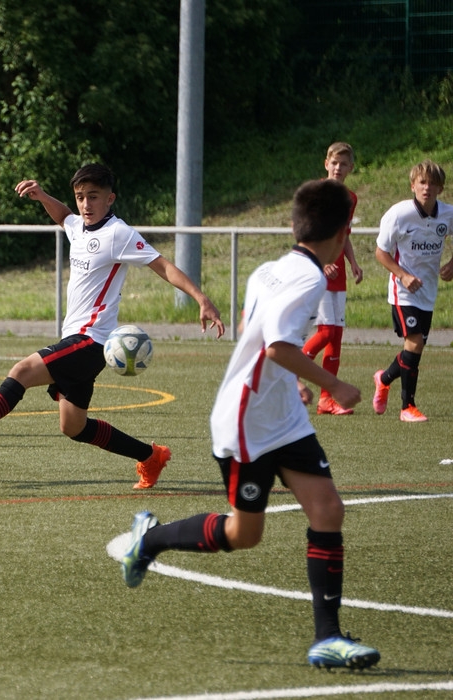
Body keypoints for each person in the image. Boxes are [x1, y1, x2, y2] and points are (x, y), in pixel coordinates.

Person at [110, 178, 380, 670]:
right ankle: (147, 540)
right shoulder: (311, 279)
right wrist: (332, 385)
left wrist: (289, 382)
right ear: (343, 234)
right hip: (246, 423)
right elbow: (276, 345)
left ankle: (327, 638)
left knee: (328, 510)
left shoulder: (270, 269)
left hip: (282, 415)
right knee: (243, 533)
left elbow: (255, 335)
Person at [0, 163, 224, 488]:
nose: (86, 204)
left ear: (110, 199)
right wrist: (42, 195)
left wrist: (201, 298)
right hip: (77, 340)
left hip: (92, 341)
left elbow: (162, 265)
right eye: (81, 197)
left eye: (93, 197)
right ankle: (151, 456)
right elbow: (64, 217)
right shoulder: (78, 226)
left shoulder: (118, 234)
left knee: (21, 372)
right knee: (74, 426)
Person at [372, 159, 453, 423]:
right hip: (402, 290)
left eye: (432, 183)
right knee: (415, 343)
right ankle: (407, 407)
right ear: (413, 186)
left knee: (413, 349)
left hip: (428, 292)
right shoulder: (398, 214)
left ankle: (383, 379)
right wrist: (403, 276)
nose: (426, 187)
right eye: (422, 182)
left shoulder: (447, 214)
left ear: (440, 188)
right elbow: (381, 252)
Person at [301, 142, 363, 415]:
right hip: (318, 270)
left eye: (343, 164)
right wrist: (322, 262)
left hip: (337, 273)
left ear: (350, 167)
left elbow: (343, 234)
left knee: (336, 336)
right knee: (326, 332)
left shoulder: (350, 198)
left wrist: (353, 262)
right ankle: (288, 372)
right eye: (334, 163)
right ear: (326, 164)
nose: (338, 168)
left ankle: (326, 399)